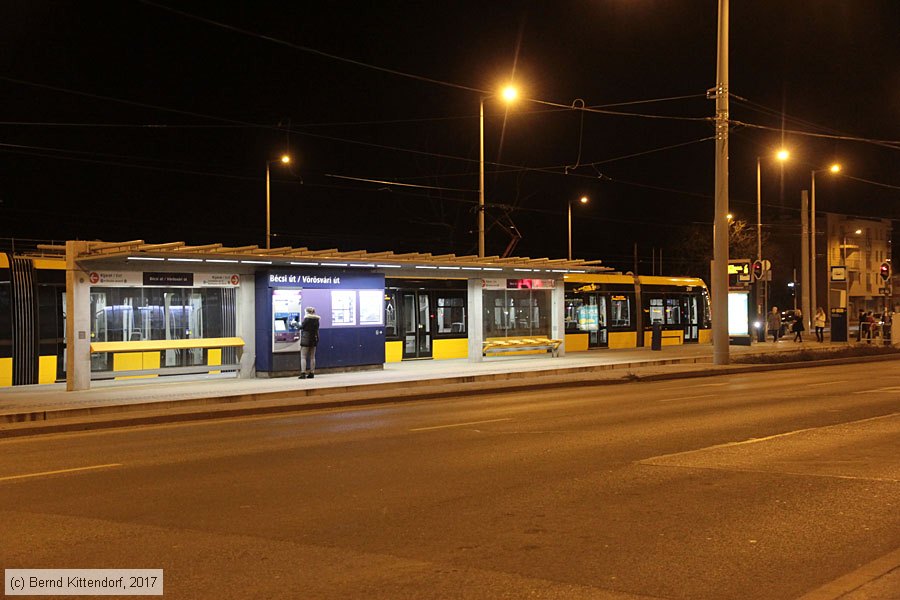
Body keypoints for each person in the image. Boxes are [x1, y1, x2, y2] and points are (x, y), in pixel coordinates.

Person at [298, 306, 321, 379]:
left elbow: (301, 327)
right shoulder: (317, 320)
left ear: (307, 312)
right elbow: (317, 330)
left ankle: (303, 373)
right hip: (314, 339)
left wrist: (295, 324)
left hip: (306, 340)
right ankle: (312, 373)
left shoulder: (306, 319)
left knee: (303, 356)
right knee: (312, 357)